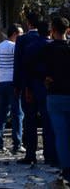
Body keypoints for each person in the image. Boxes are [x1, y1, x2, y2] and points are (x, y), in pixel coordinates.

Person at [14, 12, 57, 166]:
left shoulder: (24, 41)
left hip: (30, 86)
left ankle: (30, 153)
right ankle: (49, 154)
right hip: (48, 87)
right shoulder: (52, 44)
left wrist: (19, 86)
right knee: (48, 121)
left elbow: (20, 66)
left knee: (30, 120)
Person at [43, 16, 70, 185]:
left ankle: (66, 169)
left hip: (55, 95)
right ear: (67, 30)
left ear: (52, 30)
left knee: (61, 135)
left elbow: (39, 69)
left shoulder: (47, 49)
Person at [0, 23, 23, 154]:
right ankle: (17, 144)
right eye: (21, 34)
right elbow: (19, 66)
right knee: (18, 114)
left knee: (2, 115)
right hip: (12, 83)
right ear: (15, 34)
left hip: (1, 83)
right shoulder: (15, 47)